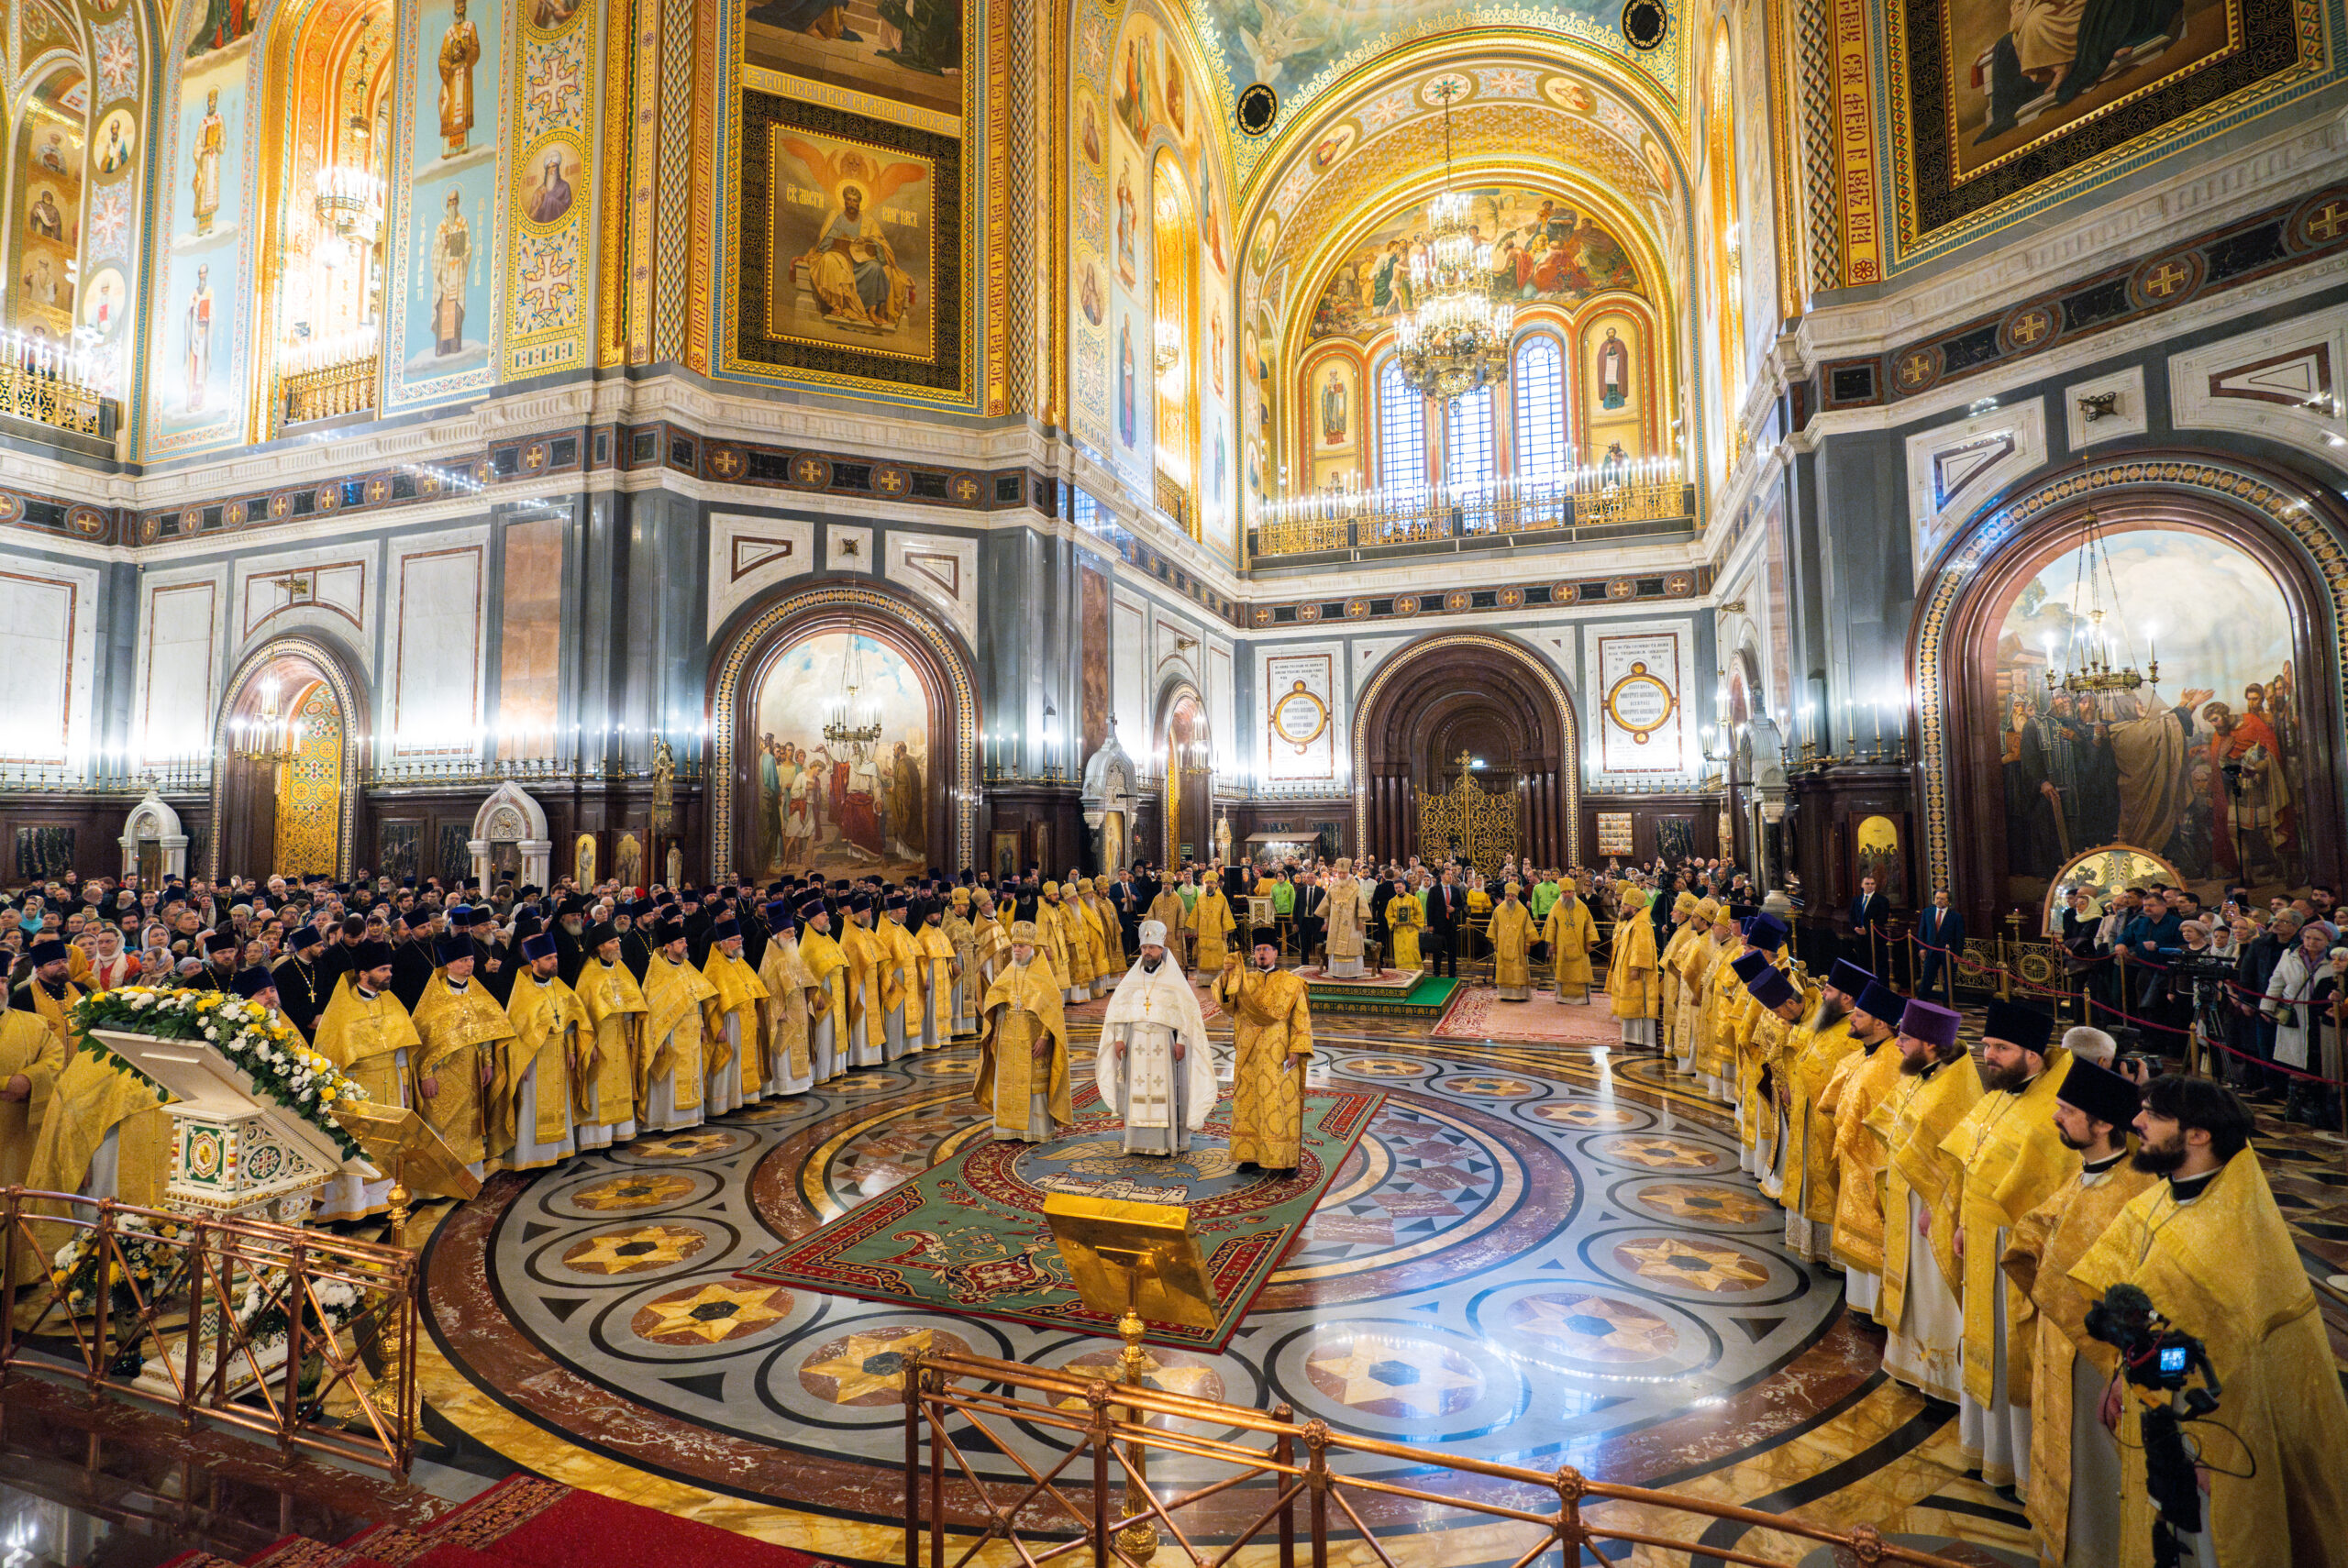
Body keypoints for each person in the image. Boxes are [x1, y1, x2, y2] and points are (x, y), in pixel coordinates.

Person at [2071, 1075, 2348, 1567]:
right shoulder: (2159, 1200)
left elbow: (2240, 1363)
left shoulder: (2235, 1233)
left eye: (2153, 1115)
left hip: (2210, 1435)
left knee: (2209, 1545)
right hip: (2158, 1408)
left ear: (2198, 1135)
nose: (2136, 1123)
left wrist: (2213, 1446)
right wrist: (2121, 1375)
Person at [1999, 1056, 2154, 1568]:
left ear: (2103, 1124)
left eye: (2066, 1110)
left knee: (2094, 1462)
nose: (2055, 1116)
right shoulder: (2086, 1176)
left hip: (2097, 1358)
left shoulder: (2134, 1193)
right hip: (2056, 1344)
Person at [1943, 1001, 2077, 1491]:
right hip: (1980, 1240)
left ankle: (2020, 1468)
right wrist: (1962, 1221)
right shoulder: (1998, 1096)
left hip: (2016, 1250)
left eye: (2001, 1048)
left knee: (2011, 1352)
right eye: (1987, 1045)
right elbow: (1971, 1164)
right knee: (1984, 1345)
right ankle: (1984, 1447)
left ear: (2033, 1056)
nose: (1989, 1055)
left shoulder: (2050, 1113)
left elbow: (2060, 1191)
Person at [1866, 997, 1982, 1404]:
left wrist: (1938, 1207)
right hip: (1906, 1193)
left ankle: (1942, 1376)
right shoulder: (1921, 1074)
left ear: (1930, 1044)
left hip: (1934, 1204)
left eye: (1905, 1037)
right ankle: (1910, 1364)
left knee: (1933, 1287)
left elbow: (1960, 1161)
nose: (1897, 1043)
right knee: (1912, 1280)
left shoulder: (1955, 1090)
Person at [311, 940, 419, 1221]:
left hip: (391, 1082)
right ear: (363, 974)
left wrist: (405, 1084)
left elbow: (401, 1049)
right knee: (362, 1146)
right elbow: (329, 1053)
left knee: (389, 1142)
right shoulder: (341, 1010)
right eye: (383, 969)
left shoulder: (392, 1002)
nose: (389, 974)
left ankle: (386, 1202)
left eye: (389, 969)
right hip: (357, 1088)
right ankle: (356, 1208)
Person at [1821, 980, 1905, 1319]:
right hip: (1854, 1157)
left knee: (1872, 1235)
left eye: (1859, 1014)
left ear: (1881, 1023)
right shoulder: (1867, 1054)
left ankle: (1875, 1309)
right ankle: (1860, 1302)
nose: (1852, 1019)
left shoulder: (1890, 1062)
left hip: (1873, 1163)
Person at [1097, 920, 1215, 1155]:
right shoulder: (1132, 979)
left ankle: (1165, 1143)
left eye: (1152, 947)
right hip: (1137, 1043)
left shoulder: (1173, 979)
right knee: (1136, 1091)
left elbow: (1187, 1014)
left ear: (1161, 949)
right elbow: (1121, 1010)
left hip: (1164, 1043)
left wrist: (1181, 1041)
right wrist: (1119, 1038)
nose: (1147, 952)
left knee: (1165, 1093)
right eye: (1144, 948)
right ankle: (1136, 1141)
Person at [1779, 959, 1866, 1261]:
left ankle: (1830, 1253)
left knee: (1827, 1182)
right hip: (1806, 1114)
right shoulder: (1829, 1021)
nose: (1823, 994)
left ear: (1847, 997)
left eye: (1829, 990)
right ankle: (1810, 1245)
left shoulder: (1852, 1034)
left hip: (1828, 1123)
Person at [409, 935, 515, 1180]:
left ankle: (471, 1177)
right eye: (463, 960)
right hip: (442, 1074)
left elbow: (486, 1032)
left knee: (470, 1122)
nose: (469, 964)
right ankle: (442, 1183)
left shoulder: (478, 992)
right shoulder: (435, 998)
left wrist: (487, 1063)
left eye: (471, 959)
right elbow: (422, 1043)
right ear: (449, 964)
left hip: (472, 1070)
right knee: (442, 1124)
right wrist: (426, 1075)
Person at [1215, 942, 1313, 1173]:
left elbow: (1301, 1017)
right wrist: (1226, 976)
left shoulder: (1292, 982)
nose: (1262, 954)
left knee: (1280, 1103)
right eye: (1258, 949)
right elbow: (1228, 1006)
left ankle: (1286, 1160)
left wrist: (1297, 1048)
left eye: (1266, 949)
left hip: (1279, 1053)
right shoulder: (1245, 981)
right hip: (1249, 1052)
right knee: (1248, 1102)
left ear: (1276, 953)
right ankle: (1249, 1157)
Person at [974, 922, 1072, 1143]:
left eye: (1021, 946)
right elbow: (997, 1002)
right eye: (1014, 946)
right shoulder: (1008, 972)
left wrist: (1045, 1038)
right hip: (1008, 1038)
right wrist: (995, 1034)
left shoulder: (1042, 974)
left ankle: (1035, 1130)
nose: (1017, 950)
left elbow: (1052, 1010)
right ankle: (1008, 1130)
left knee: (1033, 1086)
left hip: (1033, 1037)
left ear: (1031, 948)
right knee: (1008, 1083)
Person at [498, 933, 585, 1171]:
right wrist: (521, 1062)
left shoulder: (560, 987)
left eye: (555, 957)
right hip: (534, 1058)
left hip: (558, 1053)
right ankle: (533, 1157)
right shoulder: (523, 992)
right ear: (534, 962)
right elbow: (515, 1029)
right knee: (532, 1108)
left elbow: (569, 1022)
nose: (554, 962)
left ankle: (560, 1151)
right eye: (549, 958)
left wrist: (571, 1051)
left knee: (560, 1103)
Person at [638, 919, 716, 1130]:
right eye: (680, 942)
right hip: (671, 1034)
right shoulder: (658, 972)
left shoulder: (688, 968)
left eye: (685, 941)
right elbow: (653, 1010)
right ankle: (669, 1120)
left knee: (692, 1074)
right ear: (668, 946)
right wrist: (658, 1040)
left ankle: (691, 1118)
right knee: (670, 1078)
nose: (685, 945)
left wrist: (702, 1026)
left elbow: (697, 999)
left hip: (691, 1032)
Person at [575, 922, 648, 1145]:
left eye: (617, 941)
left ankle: (621, 1132)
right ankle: (598, 1139)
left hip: (620, 1036)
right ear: (599, 947)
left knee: (621, 1083)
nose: (617, 945)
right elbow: (584, 1015)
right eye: (612, 942)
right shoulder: (589, 975)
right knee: (600, 1086)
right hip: (600, 1038)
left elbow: (630, 1005)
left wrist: (630, 1034)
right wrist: (591, 1044)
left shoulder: (621, 968)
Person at [701, 918, 769, 1112]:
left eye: (741, 939)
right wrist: (717, 1028)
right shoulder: (714, 968)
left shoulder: (741, 963)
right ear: (723, 943)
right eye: (735, 939)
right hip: (728, 1023)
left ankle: (746, 1098)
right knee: (730, 1062)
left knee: (745, 1059)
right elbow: (709, 1004)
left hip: (746, 1021)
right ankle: (724, 1103)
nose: (740, 943)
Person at [753, 902, 817, 1096]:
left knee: (800, 1044)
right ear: (778, 934)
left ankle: (801, 1083)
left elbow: (805, 976)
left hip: (799, 1006)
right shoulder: (772, 957)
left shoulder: (792, 952)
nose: (792, 935)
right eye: (788, 932)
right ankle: (784, 1086)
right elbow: (768, 985)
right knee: (785, 1048)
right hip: (784, 1011)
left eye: (793, 931)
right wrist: (777, 1010)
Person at [1607, 885, 1660, 1046]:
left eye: (1625, 905)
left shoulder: (1641, 924)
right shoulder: (1632, 922)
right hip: (1627, 970)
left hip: (1636, 972)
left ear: (1634, 908)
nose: (1621, 907)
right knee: (1629, 1003)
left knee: (1638, 1003)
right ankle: (1631, 1036)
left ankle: (1641, 1037)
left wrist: (1636, 968)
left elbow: (1641, 948)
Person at [1544, 879, 1600, 1005]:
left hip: (1580, 946)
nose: (1567, 895)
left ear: (1573, 892)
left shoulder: (1582, 906)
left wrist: (1589, 943)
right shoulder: (1556, 907)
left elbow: (1589, 925)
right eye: (1564, 892)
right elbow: (1551, 926)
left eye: (1569, 892)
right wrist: (1552, 944)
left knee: (1580, 971)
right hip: (1562, 947)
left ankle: (1581, 998)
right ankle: (1563, 998)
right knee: (1564, 972)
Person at [913, 903, 958, 1050]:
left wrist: (953, 964)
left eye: (940, 913)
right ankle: (931, 1039)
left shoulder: (939, 932)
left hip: (943, 974)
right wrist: (924, 978)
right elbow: (920, 961)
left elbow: (948, 954)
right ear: (928, 915)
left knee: (944, 1004)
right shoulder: (921, 935)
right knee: (931, 1006)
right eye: (937, 913)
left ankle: (943, 1038)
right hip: (930, 975)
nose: (940, 916)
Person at [1322, 860, 1371, 978]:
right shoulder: (1333, 886)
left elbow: (1361, 904)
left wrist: (1360, 921)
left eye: (1344, 873)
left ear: (1348, 873)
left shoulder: (1355, 886)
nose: (1342, 875)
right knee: (1336, 947)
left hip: (1352, 923)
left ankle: (1352, 972)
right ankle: (1337, 972)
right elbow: (1326, 905)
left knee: (1351, 948)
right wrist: (1326, 922)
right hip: (1335, 923)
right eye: (1340, 873)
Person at [1915, 889, 1964, 1006]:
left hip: (1948, 953)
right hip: (1931, 951)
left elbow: (1960, 937)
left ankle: (1948, 1004)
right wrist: (1922, 948)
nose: (1939, 901)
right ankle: (1921, 1003)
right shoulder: (1927, 912)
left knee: (1949, 980)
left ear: (1948, 901)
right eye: (1937, 898)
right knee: (1927, 978)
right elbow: (1922, 932)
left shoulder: (1956, 916)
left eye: (1942, 899)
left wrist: (1957, 955)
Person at [1490, 881, 1535, 1001]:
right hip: (1502, 946)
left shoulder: (1523, 911)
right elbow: (1493, 927)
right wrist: (1495, 942)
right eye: (1508, 895)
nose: (1510, 898)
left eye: (1512, 896)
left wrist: (1527, 944)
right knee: (1504, 969)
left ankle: (1520, 995)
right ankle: (1504, 994)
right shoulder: (1498, 910)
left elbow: (1529, 929)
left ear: (1516, 897)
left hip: (1519, 947)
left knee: (1518, 969)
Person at [1190, 873, 1237, 980]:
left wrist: (1225, 931)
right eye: (1207, 883)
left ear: (1216, 884)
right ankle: (1204, 980)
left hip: (1217, 933)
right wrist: (1195, 929)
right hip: (1203, 934)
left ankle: (1219, 980)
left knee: (1218, 957)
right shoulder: (1200, 898)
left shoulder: (1222, 898)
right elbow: (1195, 915)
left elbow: (1226, 915)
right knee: (1204, 957)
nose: (1209, 885)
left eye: (1211, 882)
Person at [1848, 876, 1889, 978]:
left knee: (1876, 965)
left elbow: (1882, 918)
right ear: (1862, 885)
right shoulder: (1857, 900)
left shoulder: (1882, 900)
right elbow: (1852, 916)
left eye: (1872, 884)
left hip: (1875, 938)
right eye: (1867, 883)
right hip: (1860, 938)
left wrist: (1867, 929)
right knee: (1862, 965)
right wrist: (1855, 928)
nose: (1870, 886)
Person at [1386, 879, 1426, 973]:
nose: (1398, 889)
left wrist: (1412, 921)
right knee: (1400, 951)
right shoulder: (1392, 902)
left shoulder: (1413, 899)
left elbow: (1420, 914)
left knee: (1411, 951)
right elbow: (1388, 915)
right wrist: (1394, 922)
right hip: (1399, 931)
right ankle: (1402, 972)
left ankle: (1415, 972)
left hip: (1411, 931)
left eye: (1400, 887)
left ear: (1404, 887)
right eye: (1396, 888)